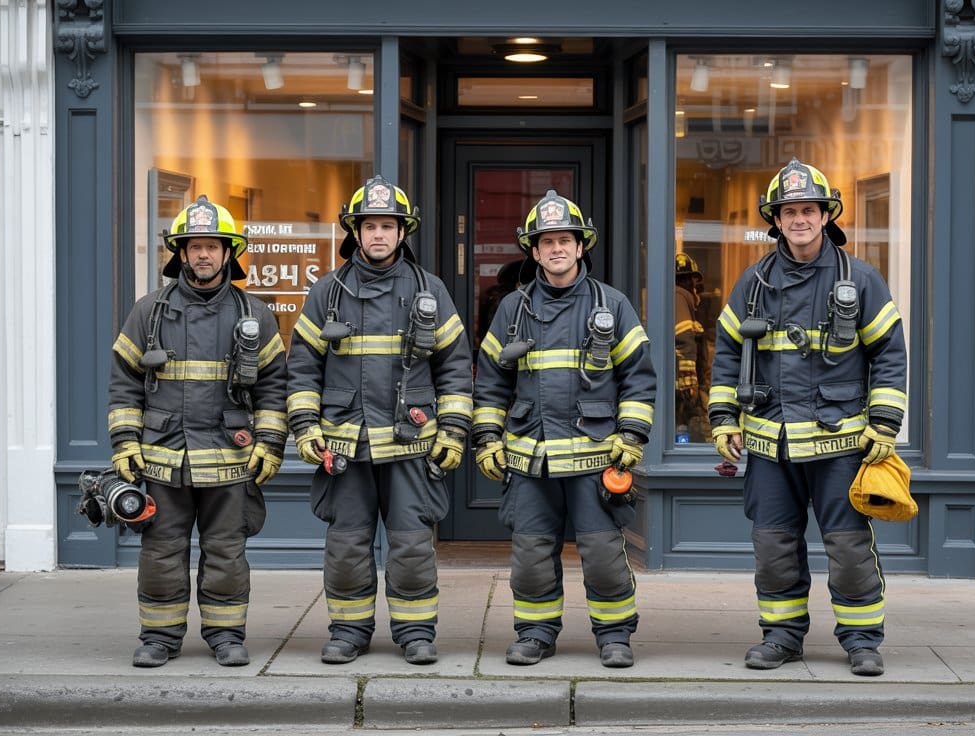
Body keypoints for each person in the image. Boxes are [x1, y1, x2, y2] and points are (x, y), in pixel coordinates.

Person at [708, 158, 907, 677]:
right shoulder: (752, 284)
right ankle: (781, 638)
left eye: (808, 210)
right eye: (789, 211)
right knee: (773, 547)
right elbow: (728, 354)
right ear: (775, 219)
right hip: (771, 445)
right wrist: (724, 418)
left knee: (848, 549)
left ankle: (862, 640)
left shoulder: (860, 279)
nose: (799, 219)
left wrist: (883, 423)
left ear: (825, 215)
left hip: (840, 444)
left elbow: (889, 353)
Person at [287, 175, 474, 666]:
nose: (377, 235)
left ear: (401, 232)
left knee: (412, 546)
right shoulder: (327, 292)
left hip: (411, 445)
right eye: (369, 225)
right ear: (356, 230)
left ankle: (415, 633)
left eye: (387, 226)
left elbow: (455, 367)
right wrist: (306, 427)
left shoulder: (428, 290)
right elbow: (303, 367)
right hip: (344, 447)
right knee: (347, 544)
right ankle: (348, 631)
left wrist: (453, 431)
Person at [472, 190, 656, 668]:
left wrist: (632, 436)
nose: (556, 249)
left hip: (596, 460)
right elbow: (490, 380)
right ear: (534, 251)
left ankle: (614, 635)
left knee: (602, 554)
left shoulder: (611, 306)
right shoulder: (513, 309)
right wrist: (488, 438)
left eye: (565, 240)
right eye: (546, 241)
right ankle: (535, 634)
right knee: (531, 555)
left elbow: (639, 376)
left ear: (581, 247)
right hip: (531, 459)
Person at [108, 195, 288, 668]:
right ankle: (159, 638)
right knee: (161, 551)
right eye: (194, 247)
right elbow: (124, 383)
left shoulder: (255, 315)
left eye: (213, 246)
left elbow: (274, 386)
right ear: (180, 253)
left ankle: (226, 634)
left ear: (230, 253)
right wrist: (125, 443)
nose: (204, 255)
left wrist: (269, 444)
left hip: (230, 459)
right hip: (164, 459)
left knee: (226, 553)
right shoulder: (148, 312)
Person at [674, 252, 711, 442]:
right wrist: (690, 381)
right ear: (689, 282)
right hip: (682, 386)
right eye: (697, 286)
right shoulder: (680, 296)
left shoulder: (679, 300)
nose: (699, 292)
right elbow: (684, 338)